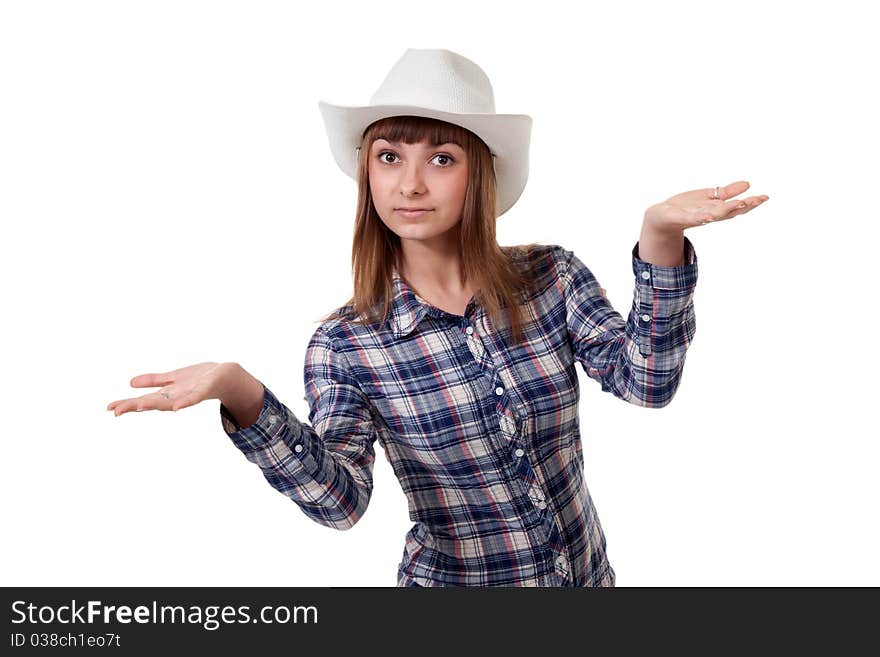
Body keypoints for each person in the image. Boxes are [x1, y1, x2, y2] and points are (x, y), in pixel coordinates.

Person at [107, 49, 769, 587]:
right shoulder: (346, 345)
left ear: (478, 174)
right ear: (367, 171)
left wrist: (658, 237)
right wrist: (240, 391)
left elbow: (646, 382)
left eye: (441, 159)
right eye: (389, 156)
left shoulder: (550, 277)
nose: (410, 184)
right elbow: (340, 500)